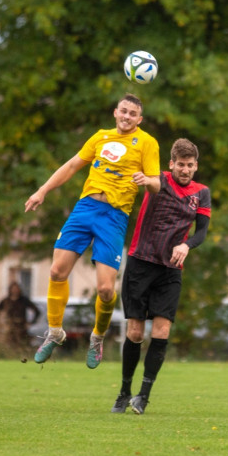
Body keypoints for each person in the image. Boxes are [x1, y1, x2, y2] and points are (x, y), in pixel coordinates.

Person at [24, 94, 160, 368]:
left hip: (114, 216)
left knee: (106, 290)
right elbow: (73, 165)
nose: (127, 116)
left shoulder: (147, 142)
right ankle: (54, 333)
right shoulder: (100, 137)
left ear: (139, 119)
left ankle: (97, 338)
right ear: (115, 112)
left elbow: (157, 183)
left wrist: (147, 180)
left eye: (133, 113)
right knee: (56, 271)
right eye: (123, 111)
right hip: (85, 208)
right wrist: (43, 190)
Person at [111, 138, 211, 415]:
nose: (185, 170)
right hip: (140, 262)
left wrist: (186, 245)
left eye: (190, 165)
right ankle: (123, 392)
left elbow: (201, 232)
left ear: (196, 166)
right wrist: (144, 179)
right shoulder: (161, 179)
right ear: (171, 164)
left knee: (162, 331)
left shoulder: (201, 193)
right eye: (181, 164)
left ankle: (143, 396)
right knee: (134, 332)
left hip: (170, 269)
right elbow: (153, 183)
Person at [0, 282, 41, 348]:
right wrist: (0, 324)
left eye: (16, 289)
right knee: (10, 346)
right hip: (10, 327)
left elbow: (37, 311)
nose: (15, 290)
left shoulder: (24, 300)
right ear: (10, 290)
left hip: (22, 327)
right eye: (13, 289)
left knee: (23, 345)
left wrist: (31, 322)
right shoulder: (6, 301)